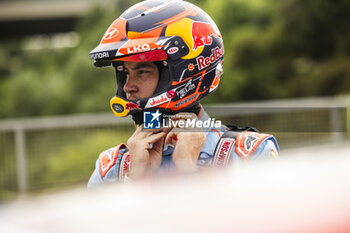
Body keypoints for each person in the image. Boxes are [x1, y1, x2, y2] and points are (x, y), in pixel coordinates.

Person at [88, 0, 279, 187]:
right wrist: (135, 181)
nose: (128, 87)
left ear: (185, 72)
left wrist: (189, 171)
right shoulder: (113, 167)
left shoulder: (250, 154)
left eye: (142, 72)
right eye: (125, 73)